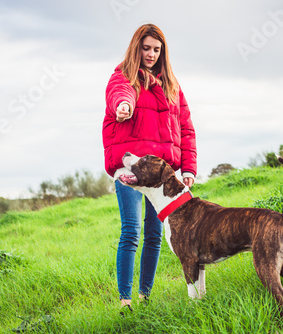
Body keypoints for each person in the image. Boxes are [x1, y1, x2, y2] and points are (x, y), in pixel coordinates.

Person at [102, 23, 197, 312]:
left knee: (155, 235)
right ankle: (125, 301)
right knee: (131, 231)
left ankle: (145, 297)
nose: (151, 54)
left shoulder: (172, 86)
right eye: (146, 48)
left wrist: (189, 168)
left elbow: (186, 128)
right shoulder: (124, 76)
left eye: (157, 49)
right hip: (130, 170)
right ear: (136, 47)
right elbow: (122, 94)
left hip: (159, 173)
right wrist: (123, 107)